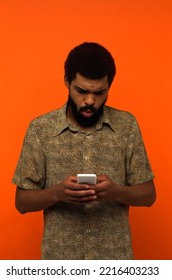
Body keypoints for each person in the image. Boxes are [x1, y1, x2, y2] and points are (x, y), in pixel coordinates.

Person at [12, 42, 156, 260]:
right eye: (81, 91)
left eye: (99, 92)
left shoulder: (127, 126)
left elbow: (149, 195)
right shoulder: (41, 129)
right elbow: (21, 202)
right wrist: (57, 193)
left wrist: (116, 192)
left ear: (110, 86)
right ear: (67, 82)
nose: (90, 101)